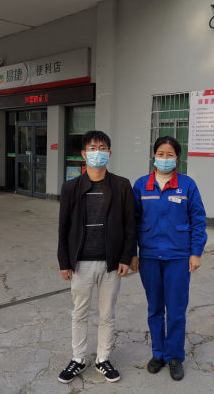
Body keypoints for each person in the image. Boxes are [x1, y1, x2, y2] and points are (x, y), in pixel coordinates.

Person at [57, 130, 136, 384]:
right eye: (92, 148)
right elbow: (64, 228)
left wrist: (126, 257)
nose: (97, 153)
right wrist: (64, 261)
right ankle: (78, 358)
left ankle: (103, 358)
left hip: (111, 263)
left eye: (102, 148)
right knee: (79, 313)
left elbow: (130, 225)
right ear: (83, 154)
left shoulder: (121, 185)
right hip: (81, 263)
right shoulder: (70, 187)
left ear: (109, 153)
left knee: (106, 314)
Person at [130, 136, 207, 381]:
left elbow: (198, 220)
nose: (165, 158)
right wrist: (132, 253)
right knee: (155, 308)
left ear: (177, 158)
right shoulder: (141, 185)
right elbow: (131, 222)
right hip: (150, 255)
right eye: (160, 154)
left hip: (178, 257)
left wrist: (196, 252)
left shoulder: (187, 185)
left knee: (176, 309)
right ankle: (158, 353)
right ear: (154, 156)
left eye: (170, 154)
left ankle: (174, 356)